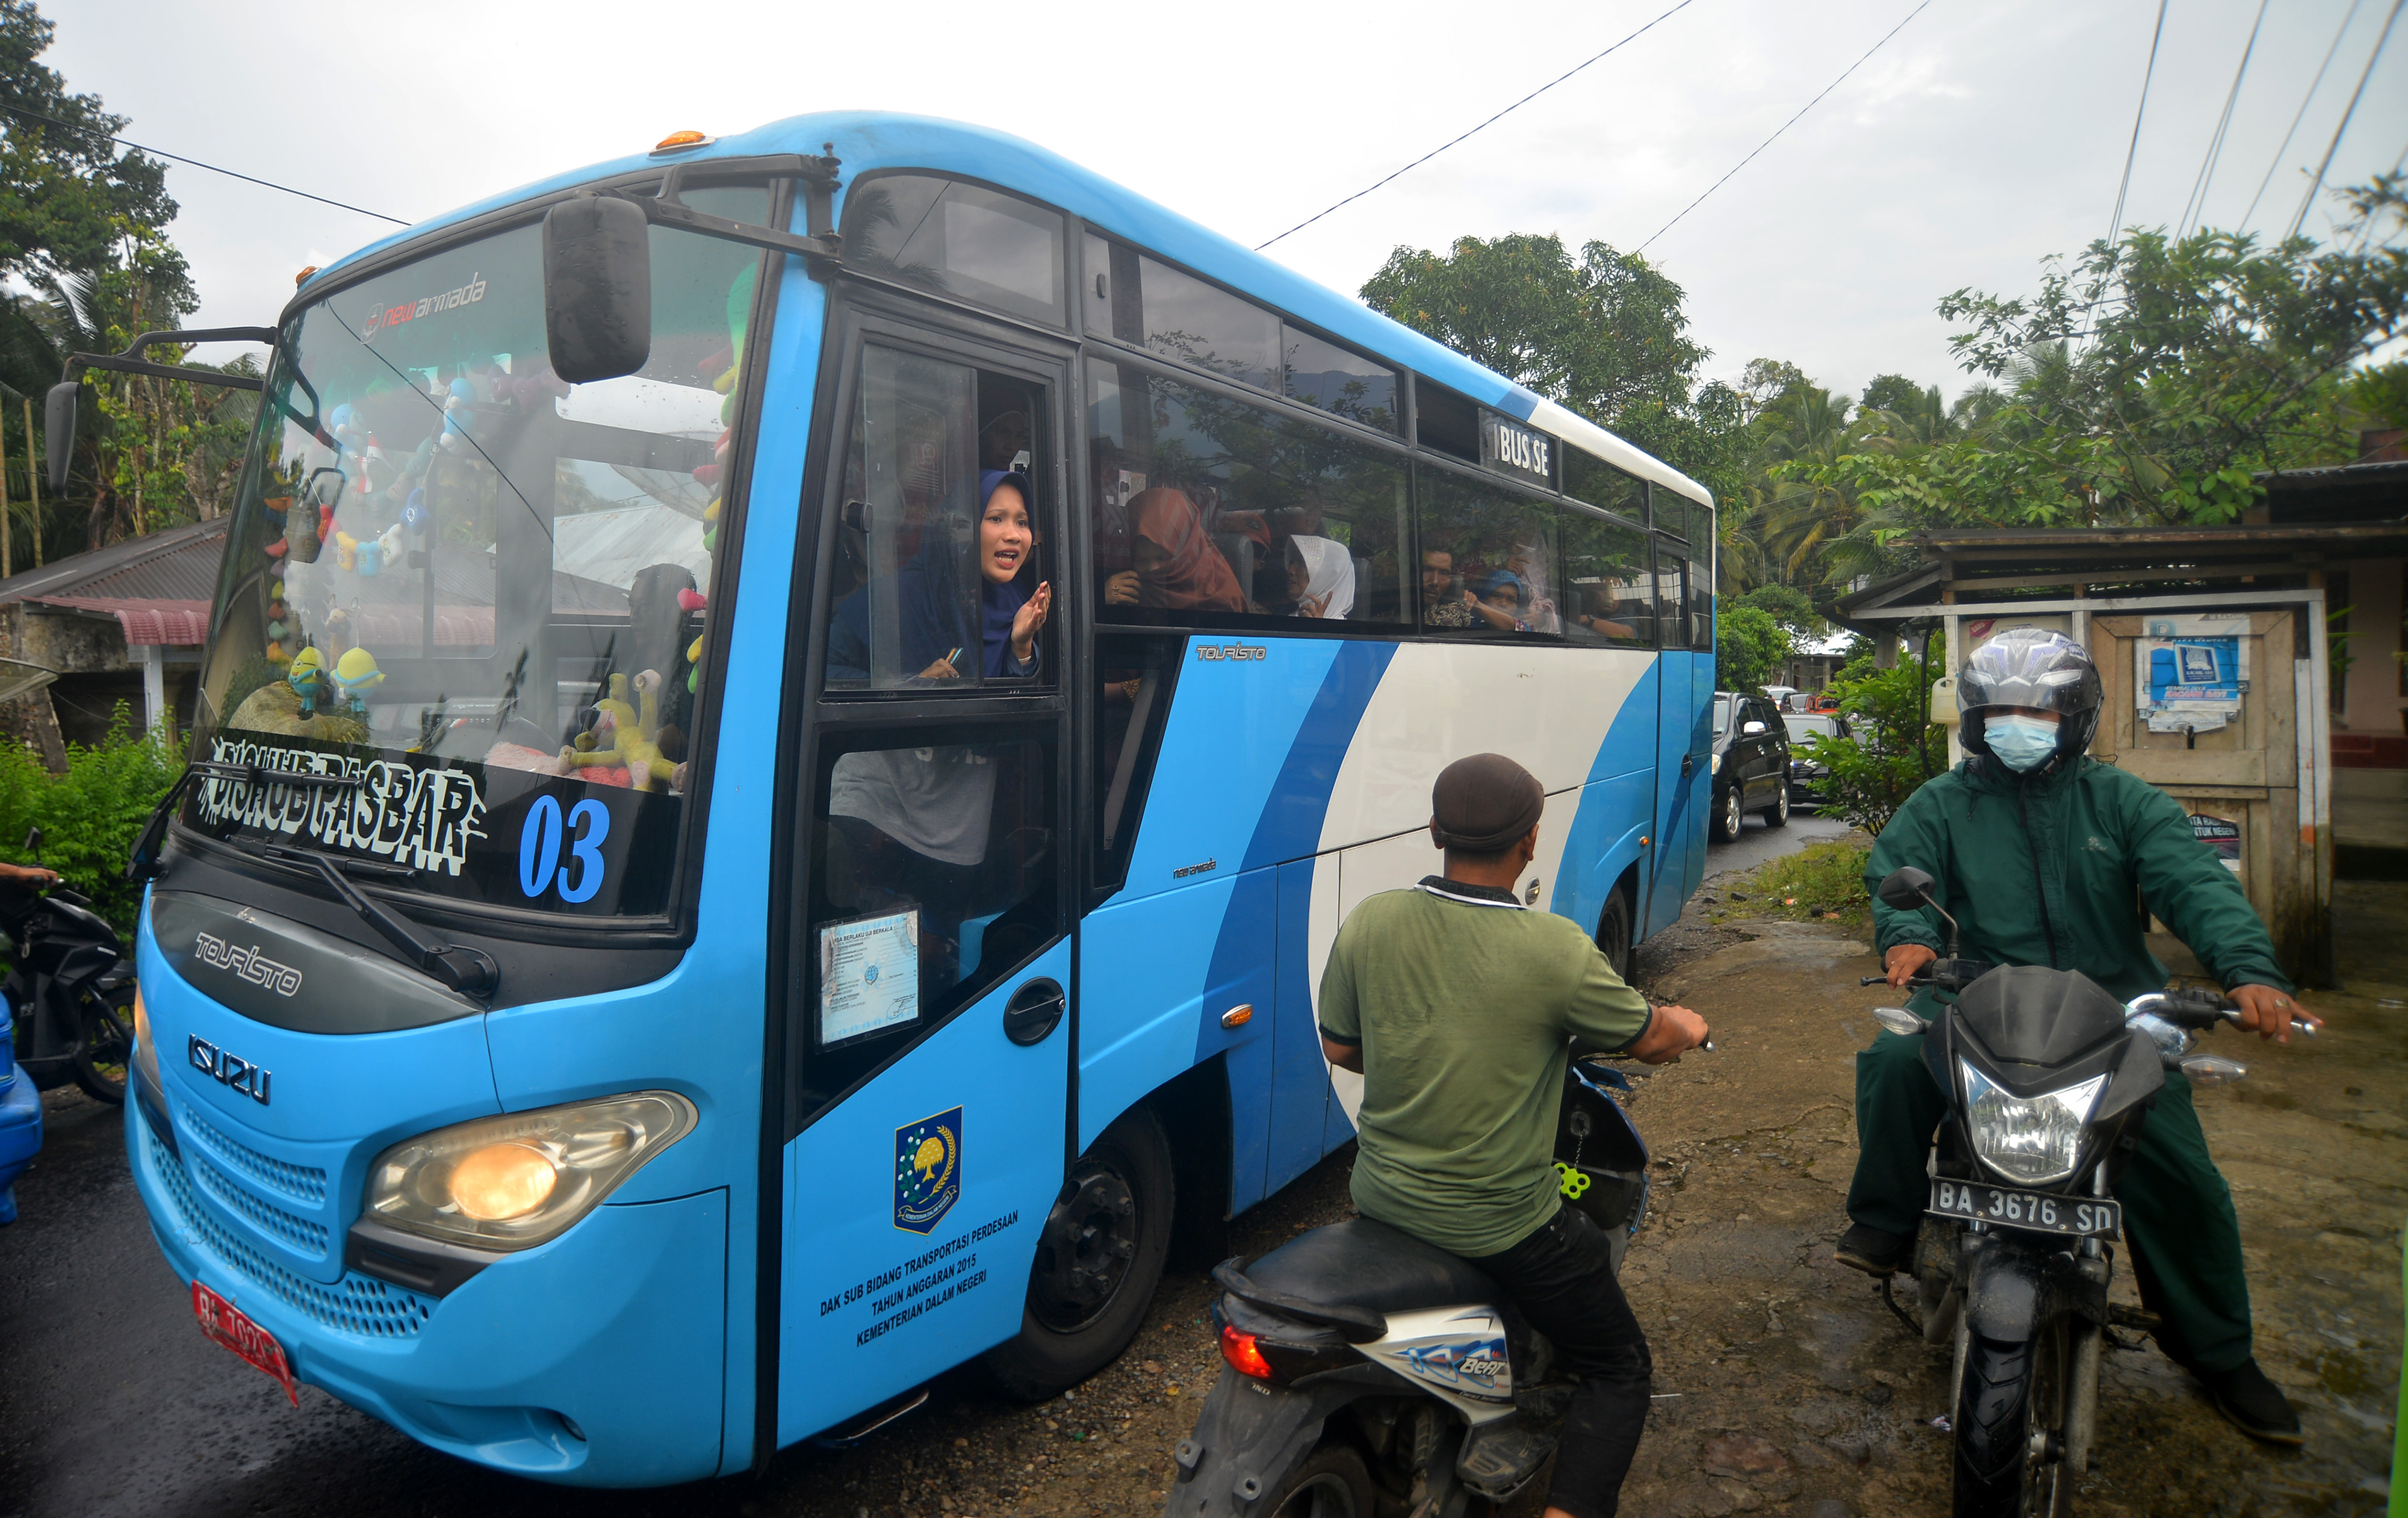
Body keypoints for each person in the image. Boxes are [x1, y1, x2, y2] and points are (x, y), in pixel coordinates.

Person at [1839, 626, 2315, 1445]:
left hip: (2110, 1008)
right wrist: (1908, 939)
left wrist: (2249, 970)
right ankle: (1885, 1218)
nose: (2014, 724)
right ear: (1976, 720)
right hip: (1980, 991)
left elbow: (2192, 879)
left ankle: (2218, 1349)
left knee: (2181, 1172)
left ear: (2076, 717)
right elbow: (1902, 878)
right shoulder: (1943, 802)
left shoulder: (2120, 800)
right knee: (1891, 1056)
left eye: (2035, 709)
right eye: (1997, 711)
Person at [1317, 753, 1711, 1518]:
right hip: (1503, 1222)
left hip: (1380, 1199)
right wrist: (1690, 1026)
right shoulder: (1554, 950)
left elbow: (1342, 1047)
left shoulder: (1372, 917)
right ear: (1530, 842)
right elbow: (1651, 1038)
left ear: (1434, 831)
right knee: (1619, 1366)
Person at [828, 470, 1052, 684]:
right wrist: (904, 687)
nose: (1013, 535)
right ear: (960, 526)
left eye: (1022, 522)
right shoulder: (897, 598)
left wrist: (1021, 645)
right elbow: (822, 671)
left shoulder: (1019, 603)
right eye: (996, 519)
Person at [1103, 486, 1247, 613]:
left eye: (1163, 558)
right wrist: (1104, 600)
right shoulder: (1127, 590)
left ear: (1186, 553)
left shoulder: (1221, 600)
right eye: (1141, 560)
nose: (1152, 569)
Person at [1283, 534, 1355, 619]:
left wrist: (1318, 627)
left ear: (1326, 575)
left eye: (1302, 563)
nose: (1290, 571)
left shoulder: (1345, 631)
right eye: (1291, 562)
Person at [1421, 549, 1477, 628]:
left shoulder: (1456, 612)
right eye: (1427, 570)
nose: (1435, 582)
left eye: (1444, 573)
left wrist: (1475, 605)